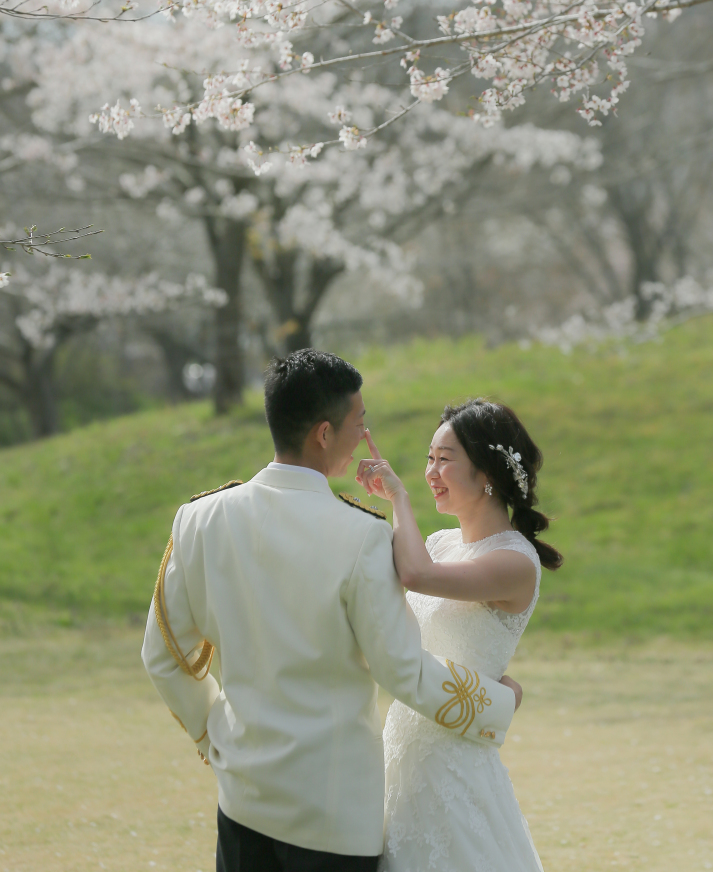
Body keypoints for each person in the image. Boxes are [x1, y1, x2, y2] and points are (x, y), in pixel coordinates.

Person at [141, 351, 521, 872]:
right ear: (324, 434)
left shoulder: (198, 518)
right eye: (359, 424)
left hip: (242, 798)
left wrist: (213, 736)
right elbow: (402, 669)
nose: (365, 438)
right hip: (334, 814)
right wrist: (495, 705)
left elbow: (164, 655)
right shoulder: (362, 536)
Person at [356, 397, 563, 872]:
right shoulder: (439, 544)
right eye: (429, 458)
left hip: (456, 763)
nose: (431, 471)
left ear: (487, 473)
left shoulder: (514, 561)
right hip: (402, 747)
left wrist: (398, 498)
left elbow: (416, 577)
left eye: (445, 460)